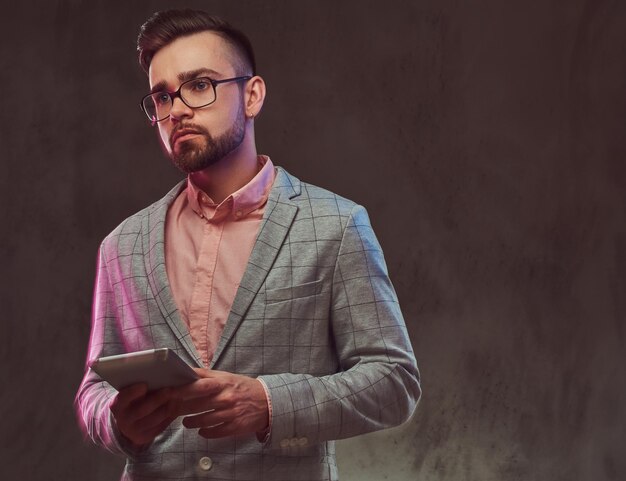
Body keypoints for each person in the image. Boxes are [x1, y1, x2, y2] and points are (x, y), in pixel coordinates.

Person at [76, 9, 421, 481]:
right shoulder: (121, 244)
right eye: (161, 96)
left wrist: (270, 403)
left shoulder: (337, 225)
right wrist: (116, 421)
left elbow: (395, 382)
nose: (176, 110)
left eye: (199, 85)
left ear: (252, 94)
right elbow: (93, 391)